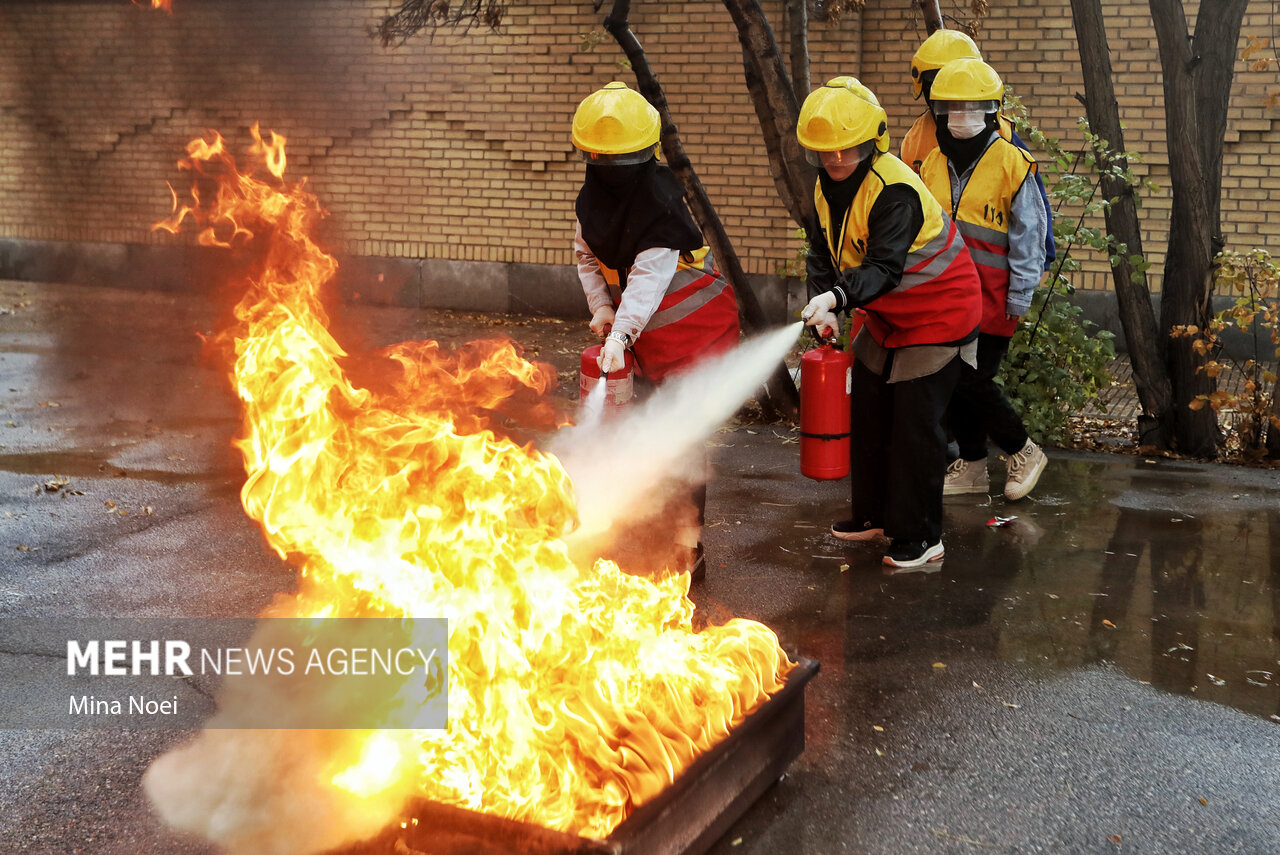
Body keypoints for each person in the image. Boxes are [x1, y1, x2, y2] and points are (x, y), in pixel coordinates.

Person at [796, 78, 982, 570]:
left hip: (939, 312)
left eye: (846, 150)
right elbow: (821, 251)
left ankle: (923, 535)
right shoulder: (825, 187)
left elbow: (884, 267)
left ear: (871, 142)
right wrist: (827, 305)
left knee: (916, 426)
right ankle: (874, 515)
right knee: (872, 410)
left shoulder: (893, 187)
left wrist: (838, 296)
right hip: (886, 313)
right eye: (823, 155)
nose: (835, 162)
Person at [570, 81, 740, 581]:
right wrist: (602, 308)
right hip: (643, 338)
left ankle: (689, 551)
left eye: (621, 161)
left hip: (693, 332)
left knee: (681, 439)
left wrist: (619, 337)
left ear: (644, 156)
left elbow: (647, 279)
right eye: (604, 161)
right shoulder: (591, 203)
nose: (612, 172)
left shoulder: (661, 204)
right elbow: (586, 258)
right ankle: (645, 538)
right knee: (638, 434)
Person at [919, 58, 1049, 500]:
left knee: (972, 380)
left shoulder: (1014, 163)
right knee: (951, 379)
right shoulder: (932, 164)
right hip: (943, 295)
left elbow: (1030, 235)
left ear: (991, 110)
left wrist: (1020, 294)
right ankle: (973, 464)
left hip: (993, 298)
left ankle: (1022, 449)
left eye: (971, 106)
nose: (961, 115)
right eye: (952, 106)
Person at [900, 29, 1056, 271]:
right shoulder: (915, 139)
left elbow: (1031, 204)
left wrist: (1035, 265)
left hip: (990, 276)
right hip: (935, 274)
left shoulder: (1002, 137)